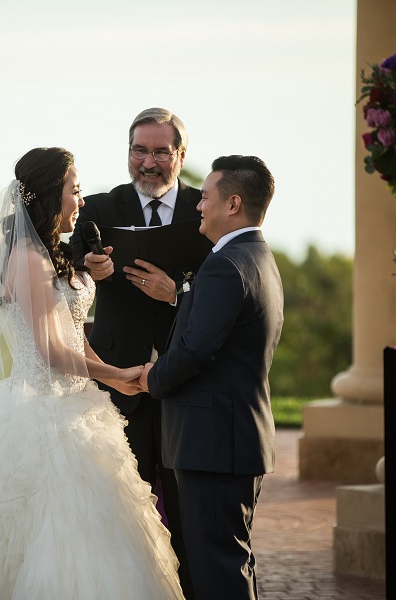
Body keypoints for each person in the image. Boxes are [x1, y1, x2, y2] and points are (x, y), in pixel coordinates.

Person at [0, 147, 184, 600]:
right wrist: (116, 370)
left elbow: (71, 335)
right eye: (75, 191)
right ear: (50, 196)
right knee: (38, 540)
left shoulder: (55, 255)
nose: (81, 202)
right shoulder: (27, 259)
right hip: (40, 415)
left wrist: (110, 376)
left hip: (76, 408)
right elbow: (48, 351)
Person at [70, 107, 209, 597]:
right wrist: (89, 266)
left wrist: (178, 290)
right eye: (139, 150)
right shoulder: (102, 208)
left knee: (187, 511)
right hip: (117, 383)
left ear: (180, 155)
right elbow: (64, 257)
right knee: (123, 507)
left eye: (160, 152)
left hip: (184, 382)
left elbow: (222, 281)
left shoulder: (203, 208)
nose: (148, 163)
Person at [140, 155, 284, 600]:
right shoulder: (256, 256)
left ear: (233, 203)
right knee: (229, 560)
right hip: (231, 439)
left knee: (217, 567)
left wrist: (151, 379)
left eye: (205, 197)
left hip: (216, 443)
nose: (198, 206)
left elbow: (196, 349)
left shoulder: (226, 264)